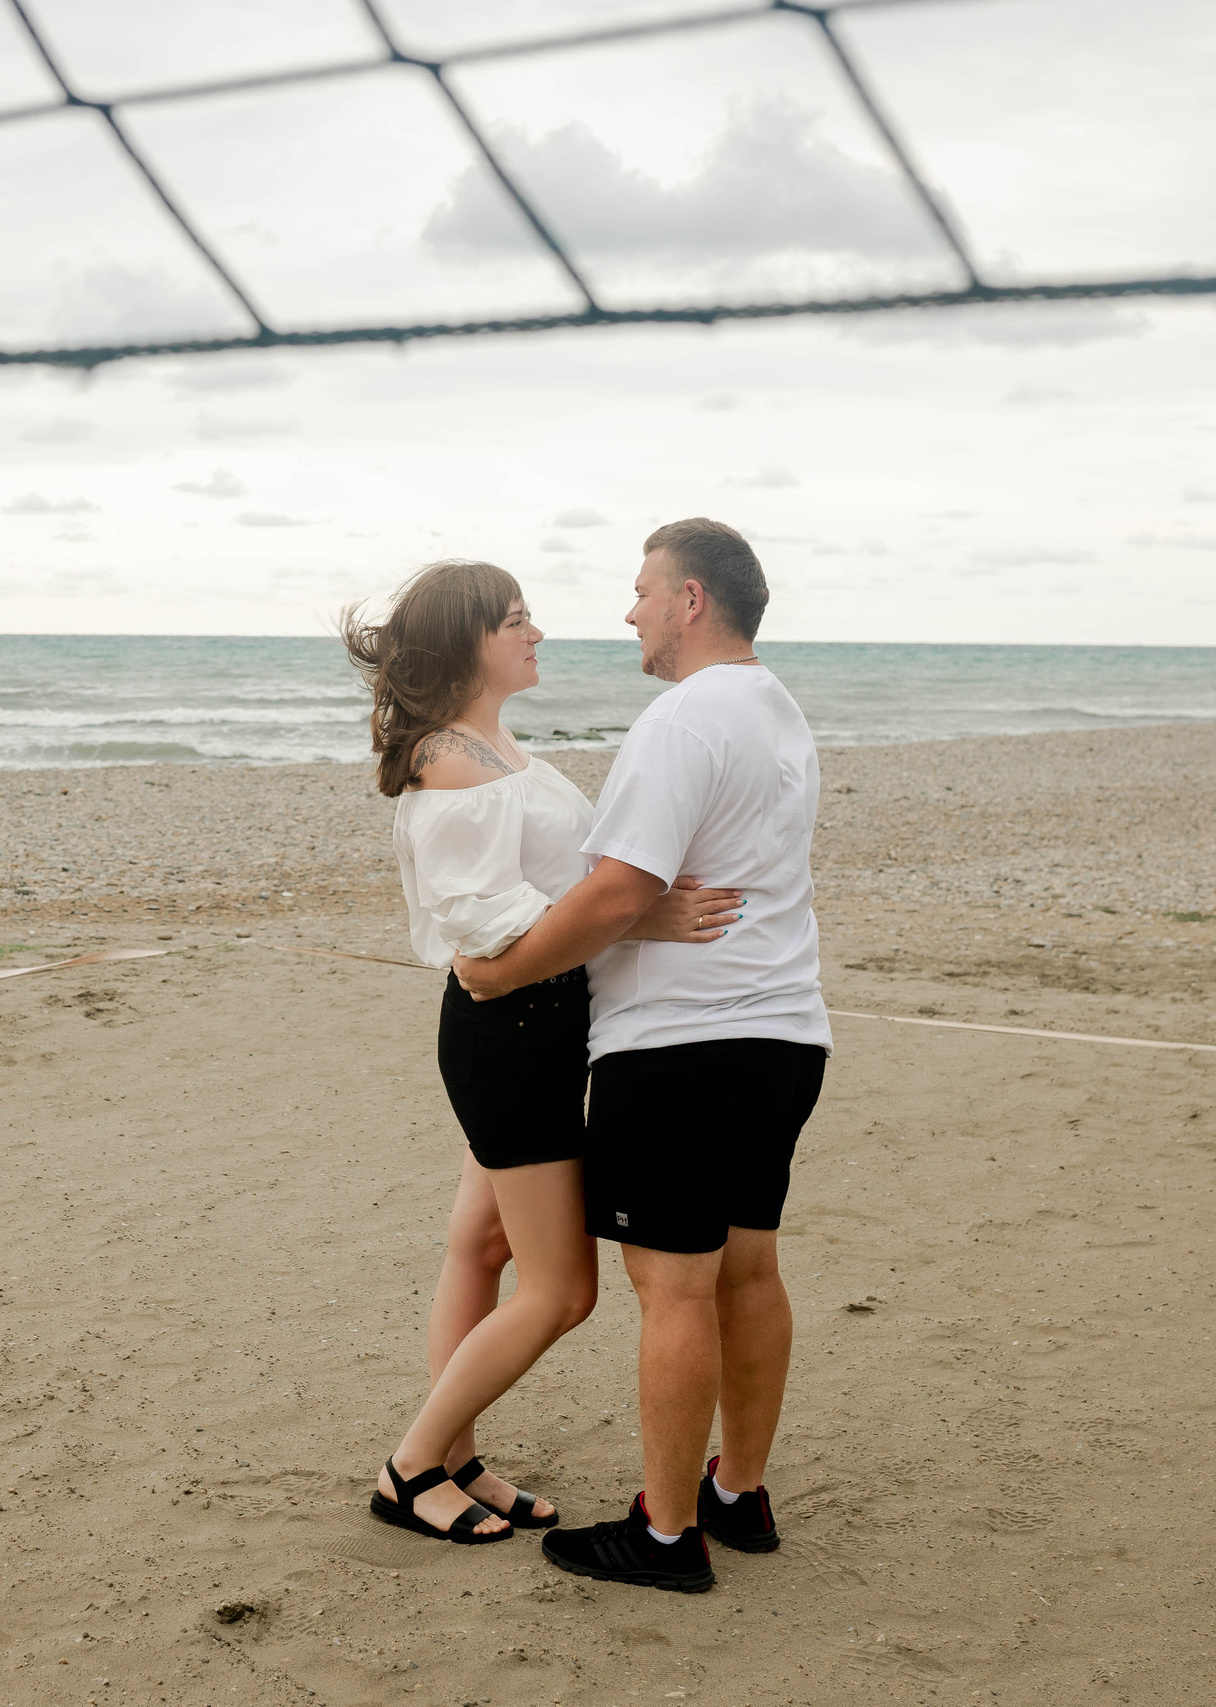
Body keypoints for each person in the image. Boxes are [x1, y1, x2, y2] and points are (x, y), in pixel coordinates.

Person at [453, 519, 828, 1593]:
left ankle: (665, 1537)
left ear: (691, 601)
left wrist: (508, 968)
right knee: (748, 1268)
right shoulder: (776, 711)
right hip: (782, 1034)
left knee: (673, 1291)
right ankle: (735, 1491)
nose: (628, 614)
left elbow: (619, 890)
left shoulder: (682, 718)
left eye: (641, 592)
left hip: (678, 1045)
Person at [340, 559, 740, 1545]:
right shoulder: (453, 767)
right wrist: (647, 920)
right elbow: (493, 935)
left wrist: (640, 896)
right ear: (468, 641)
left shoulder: (488, 745)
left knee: (479, 1249)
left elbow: (552, 892)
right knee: (563, 1291)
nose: (538, 632)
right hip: (509, 1033)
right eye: (516, 620)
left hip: (539, 1025)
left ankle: (457, 1457)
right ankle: (410, 1468)